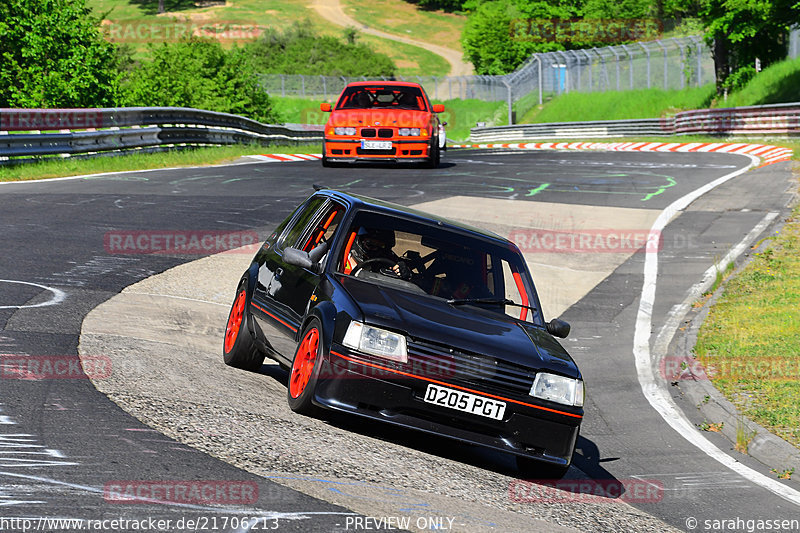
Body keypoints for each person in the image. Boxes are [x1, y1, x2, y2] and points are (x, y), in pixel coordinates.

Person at [344, 227, 411, 279]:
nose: (375, 249)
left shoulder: (389, 262)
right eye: (370, 244)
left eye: (381, 246)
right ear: (359, 242)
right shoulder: (342, 260)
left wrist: (404, 271)